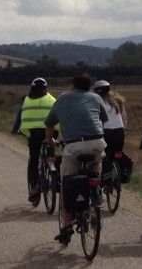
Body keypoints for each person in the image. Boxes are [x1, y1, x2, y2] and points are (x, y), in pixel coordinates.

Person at [43, 73, 107, 245]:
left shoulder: (63, 98)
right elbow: (103, 119)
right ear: (89, 85)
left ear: (73, 84)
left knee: (67, 184)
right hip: (96, 143)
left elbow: (49, 123)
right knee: (96, 163)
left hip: (74, 146)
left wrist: (50, 142)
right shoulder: (96, 97)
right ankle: (96, 190)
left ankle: (67, 226)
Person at [11, 77, 56, 203]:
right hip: (51, 132)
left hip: (34, 133)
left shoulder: (27, 100)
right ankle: (54, 176)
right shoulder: (52, 99)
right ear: (46, 88)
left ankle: (35, 187)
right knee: (51, 155)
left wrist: (15, 129)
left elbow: (19, 116)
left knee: (34, 159)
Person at [93, 80, 131, 184]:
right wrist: (124, 131)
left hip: (106, 133)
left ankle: (105, 179)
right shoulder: (117, 101)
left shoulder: (96, 102)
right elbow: (124, 118)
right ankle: (120, 172)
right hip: (119, 132)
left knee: (104, 156)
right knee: (116, 153)